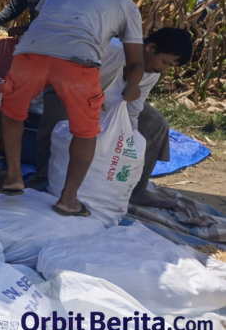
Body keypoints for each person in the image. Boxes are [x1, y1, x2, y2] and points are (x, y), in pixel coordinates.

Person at [0, 0, 145, 217]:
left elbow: (42, 19)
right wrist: (132, 88)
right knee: (85, 132)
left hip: (31, 53)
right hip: (78, 63)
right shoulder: (126, 5)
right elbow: (136, 63)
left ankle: (13, 177)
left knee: (12, 112)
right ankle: (68, 200)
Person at [30, 28, 193, 210]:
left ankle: (137, 191)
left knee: (156, 122)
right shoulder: (110, 50)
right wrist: (91, 103)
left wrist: (125, 140)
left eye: (169, 67)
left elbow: (133, 109)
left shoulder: (152, 73)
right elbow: (66, 76)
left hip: (113, 109)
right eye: (165, 62)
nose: (164, 69)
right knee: (59, 114)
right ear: (151, 48)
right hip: (72, 96)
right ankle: (44, 176)